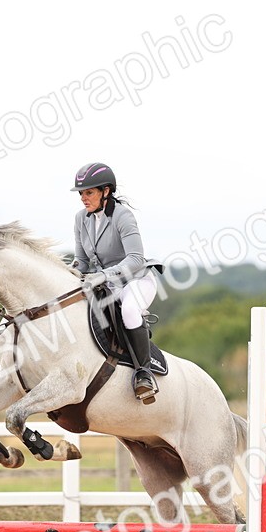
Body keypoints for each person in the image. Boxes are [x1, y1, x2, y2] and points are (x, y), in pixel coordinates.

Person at [70, 162, 163, 402]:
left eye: (89, 192)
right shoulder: (81, 219)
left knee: (130, 311)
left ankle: (144, 373)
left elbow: (135, 258)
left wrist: (105, 274)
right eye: (81, 193)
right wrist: (67, 272)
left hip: (137, 280)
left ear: (106, 191)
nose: (83, 198)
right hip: (106, 286)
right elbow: (81, 261)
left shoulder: (123, 216)